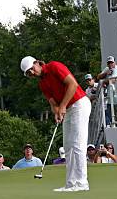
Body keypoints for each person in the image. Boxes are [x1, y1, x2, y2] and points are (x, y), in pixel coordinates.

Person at [20, 57, 91, 191]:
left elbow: (73, 84)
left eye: (32, 70)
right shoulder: (42, 84)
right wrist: (57, 112)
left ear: (37, 63)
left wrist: (63, 106)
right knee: (68, 146)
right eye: (29, 74)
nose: (32, 74)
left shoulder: (54, 66)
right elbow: (53, 103)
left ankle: (82, 183)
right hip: (68, 108)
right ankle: (71, 183)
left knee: (77, 144)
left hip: (79, 104)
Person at [96, 56, 117, 125]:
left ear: (115, 62)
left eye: (111, 62)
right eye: (109, 63)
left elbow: (112, 80)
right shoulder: (107, 69)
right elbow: (98, 77)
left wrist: (103, 82)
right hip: (110, 98)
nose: (110, 64)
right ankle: (115, 130)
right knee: (111, 118)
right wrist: (106, 73)